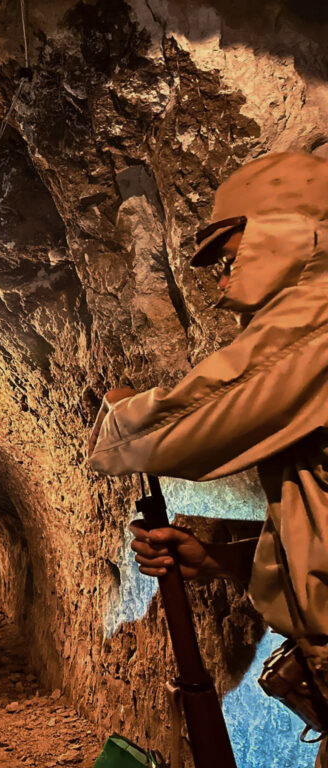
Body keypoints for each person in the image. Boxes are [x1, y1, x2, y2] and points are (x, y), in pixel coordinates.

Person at [87, 152, 328, 763]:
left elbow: (195, 421)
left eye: (230, 257)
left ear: (285, 231)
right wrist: (223, 558)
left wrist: (121, 415)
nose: (221, 282)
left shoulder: (320, 312)